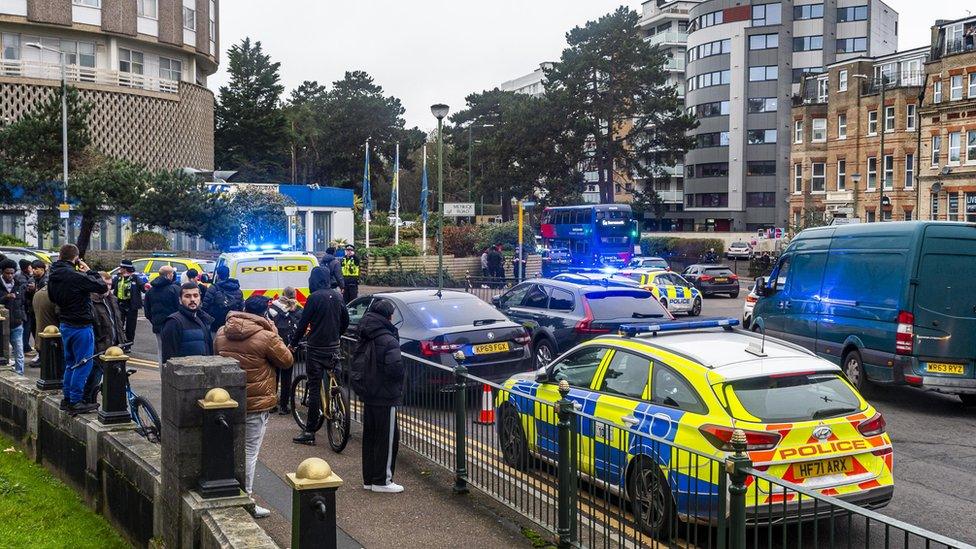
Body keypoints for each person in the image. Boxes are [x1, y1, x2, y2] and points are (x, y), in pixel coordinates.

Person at [214, 295, 293, 518]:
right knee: (249, 452)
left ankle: (226, 492)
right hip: (256, 403)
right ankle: (246, 499)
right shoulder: (267, 336)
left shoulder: (222, 331)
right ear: (265, 312)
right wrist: (275, 334)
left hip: (226, 399)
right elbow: (287, 361)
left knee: (227, 449)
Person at [290, 267, 349, 445]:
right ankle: (342, 422)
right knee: (336, 384)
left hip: (316, 348)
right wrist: (337, 335)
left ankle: (309, 432)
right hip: (334, 347)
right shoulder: (338, 296)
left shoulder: (314, 298)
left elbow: (302, 324)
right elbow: (345, 320)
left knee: (314, 388)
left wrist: (293, 343)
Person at [47, 245, 108, 415]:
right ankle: (75, 401)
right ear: (76, 258)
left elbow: (52, 297)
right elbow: (102, 286)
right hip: (81, 324)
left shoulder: (53, 275)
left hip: (65, 323)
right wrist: (89, 271)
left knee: (70, 364)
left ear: (60, 256)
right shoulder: (75, 276)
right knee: (83, 364)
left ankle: (67, 399)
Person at [354, 299, 405, 493]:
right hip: (385, 394)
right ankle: (383, 481)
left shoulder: (365, 333)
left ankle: (369, 479)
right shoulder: (388, 338)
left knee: (371, 437)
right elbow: (395, 369)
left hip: (369, 392)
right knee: (388, 437)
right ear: (389, 316)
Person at [83, 271, 126, 405]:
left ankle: (113, 405)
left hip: (114, 345)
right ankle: (87, 399)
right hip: (99, 348)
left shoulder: (111, 299)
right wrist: (95, 347)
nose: (107, 287)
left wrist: (122, 339)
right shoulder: (91, 301)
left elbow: (117, 321)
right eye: (104, 284)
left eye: (109, 284)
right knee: (94, 377)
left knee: (114, 380)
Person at [160, 282, 214, 364]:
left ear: (200, 298)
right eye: (187, 296)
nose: (192, 299)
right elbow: (169, 358)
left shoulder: (203, 319)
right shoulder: (173, 322)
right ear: (180, 300)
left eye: (195, 295)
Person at [269, 287, 303, 415]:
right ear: (294, 296)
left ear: (282, 295)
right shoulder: (298, 310)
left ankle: (272, 404)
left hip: (275, 344)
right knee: (287, 376)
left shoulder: (272, 308)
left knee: (274, 375)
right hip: (290, 346)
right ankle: (284, 406)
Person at [144, 265, 181, 365]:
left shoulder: (150, 291)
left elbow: (147, 312)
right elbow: (179, 308)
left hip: (158, 325)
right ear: (169, 275)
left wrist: (155, 321)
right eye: (172, 274)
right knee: (175, 351)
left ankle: (162, 377)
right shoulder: (174, 289)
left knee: (161, 352)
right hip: (173, 325)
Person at [201, 265, 244, 336]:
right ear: (229, 274)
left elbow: (205, 306)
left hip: (216, 324)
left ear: (217, 275)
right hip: (232, 323)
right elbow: (241, 308)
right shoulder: (237, 290)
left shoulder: (213, 288)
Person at [1, 259, 26, 375]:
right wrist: (5, 297)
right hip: (2, 325)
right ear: (2, 272)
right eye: (7, 273)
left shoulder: (19, 284)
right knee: (3, 352)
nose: (10, 275)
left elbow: (23, 301)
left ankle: (19, 373)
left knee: (19, 351)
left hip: (17, 322)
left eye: (12, 273)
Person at [112, 260, 145, 346]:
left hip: (131, 305)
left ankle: (128, 344)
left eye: (121, 267)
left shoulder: (135, 278)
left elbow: (144, 288)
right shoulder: (118, 277)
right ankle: (119, 342)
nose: (119, 268)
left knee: (130, 326)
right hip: (120, 304)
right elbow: (109, 286)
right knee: (119, 324)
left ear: (125, 268)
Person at [26, 260, 48, 366]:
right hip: (33, 311)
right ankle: (40, 354)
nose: (34, 271)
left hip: (42, 312)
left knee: (41, 333)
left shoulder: (45, 281)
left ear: (42, 269)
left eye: (36, 269)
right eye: (33, 269)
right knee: (35, 332)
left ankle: (42, 356)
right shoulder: (33, 279)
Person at [32, 285, 58, 363]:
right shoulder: (54, 294)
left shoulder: (38, 294)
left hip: (41, 336)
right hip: (53, 336)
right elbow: (59, 313)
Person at [17, 259, 33, 355]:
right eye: (30, 267)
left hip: (25, 306)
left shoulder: (21, 276)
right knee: (26, 327)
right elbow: (24, 293)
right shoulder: (22, 278)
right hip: (25, 307)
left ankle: (25, 346)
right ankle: (25, 347)